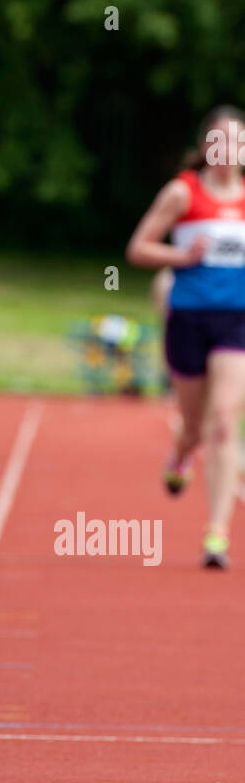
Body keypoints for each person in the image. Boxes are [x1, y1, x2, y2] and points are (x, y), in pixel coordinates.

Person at [126, 105, 245, 569]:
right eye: (218, 142)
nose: (227, 151)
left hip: (236, 323)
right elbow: (138, 249)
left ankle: (216, 534)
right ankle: (179, 457)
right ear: (205, 148)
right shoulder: (183, 193)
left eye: (236, 142)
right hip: (188, 321)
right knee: (194, 427)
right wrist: (184, 257)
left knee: (222, 420)